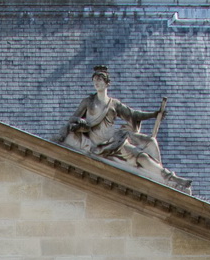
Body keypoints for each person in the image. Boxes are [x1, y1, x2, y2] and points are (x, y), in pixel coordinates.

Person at [57, 65, 189, 186]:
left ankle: (169, 178)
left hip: (115, 142)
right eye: (95, 80)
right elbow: (72, 119)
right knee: (139, 155)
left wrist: (154, 114)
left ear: (107, 83)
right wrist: (80, 121)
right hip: (98, 144)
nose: (96, 83)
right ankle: (169, 178)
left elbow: (133, 114)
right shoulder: (88, 102)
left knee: (141, 157)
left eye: (100, 80)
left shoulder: (114, 104)